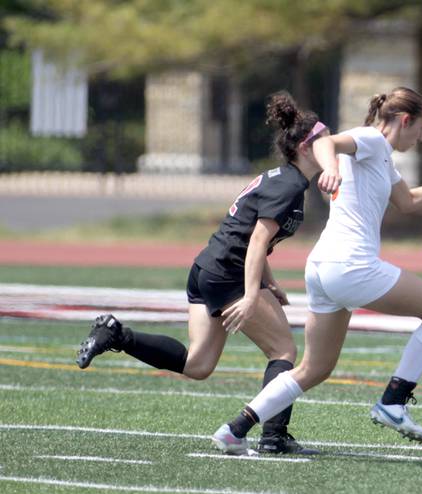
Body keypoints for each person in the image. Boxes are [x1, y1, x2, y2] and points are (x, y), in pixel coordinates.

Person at [211, 87, 422, 454]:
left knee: (315, 368)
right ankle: (394, 400)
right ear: (404, 121)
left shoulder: (381, 156)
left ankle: (235, 429)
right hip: (351, 266)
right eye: (420, 127)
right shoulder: (371, 138)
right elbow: (324, 141)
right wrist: (331, 169)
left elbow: (407, 202)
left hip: (323, 268)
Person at [75, 91, 329, 455]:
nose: (332, 146)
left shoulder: (284, 179)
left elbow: (250, 235)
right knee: (284, 351)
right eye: (325, 140)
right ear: (306, 148)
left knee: (198, 364)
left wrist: (269, 281)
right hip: (227, 273)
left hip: (207, 267)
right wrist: (253, 294)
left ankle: (116, 334)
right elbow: (256, 242)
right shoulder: (289, 185)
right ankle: (273, 436)